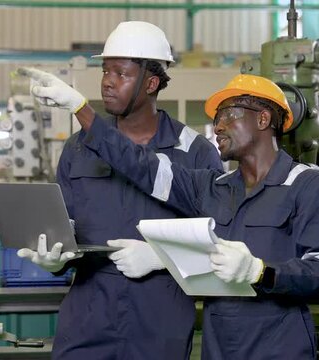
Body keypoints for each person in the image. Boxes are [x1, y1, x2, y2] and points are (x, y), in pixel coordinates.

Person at [25, 71, 319, 359]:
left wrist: (261, 271)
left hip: (279, 347)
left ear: (262, 120)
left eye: (229, 115)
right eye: (217, 118)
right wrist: (82, 109)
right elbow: (140, 164)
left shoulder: (308, 186)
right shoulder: (211, 188)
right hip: (219, 347)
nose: (218, 126)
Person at [17, 21, 223, 360]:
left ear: (152, 83)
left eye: (122, 74)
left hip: (160, 321)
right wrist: (53, 260)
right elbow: (64, 227)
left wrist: (161, 258)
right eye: (105, 71)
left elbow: (217, 242)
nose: (108, 82)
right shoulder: (78, 149)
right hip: (87, 317)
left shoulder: (196, 153)